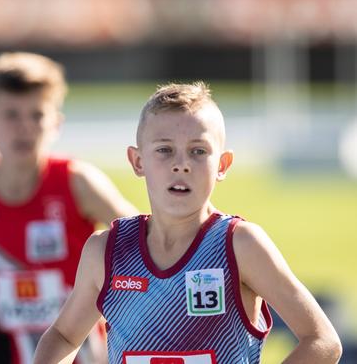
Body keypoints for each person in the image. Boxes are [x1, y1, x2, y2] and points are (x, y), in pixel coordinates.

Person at [33, 82, 343, 364]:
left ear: (222, 165)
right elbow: (64, 336)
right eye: (164, 150)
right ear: (137, 161)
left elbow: (322, 340)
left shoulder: (240, 244)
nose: (181, 164)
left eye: (198, 151)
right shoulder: (106, 250)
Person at [0, 52, 138, 364]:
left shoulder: (77, 181)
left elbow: (146, 240)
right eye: (11, 115)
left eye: (36, 115)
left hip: (81, 350)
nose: (24, 128)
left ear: (56, 123)